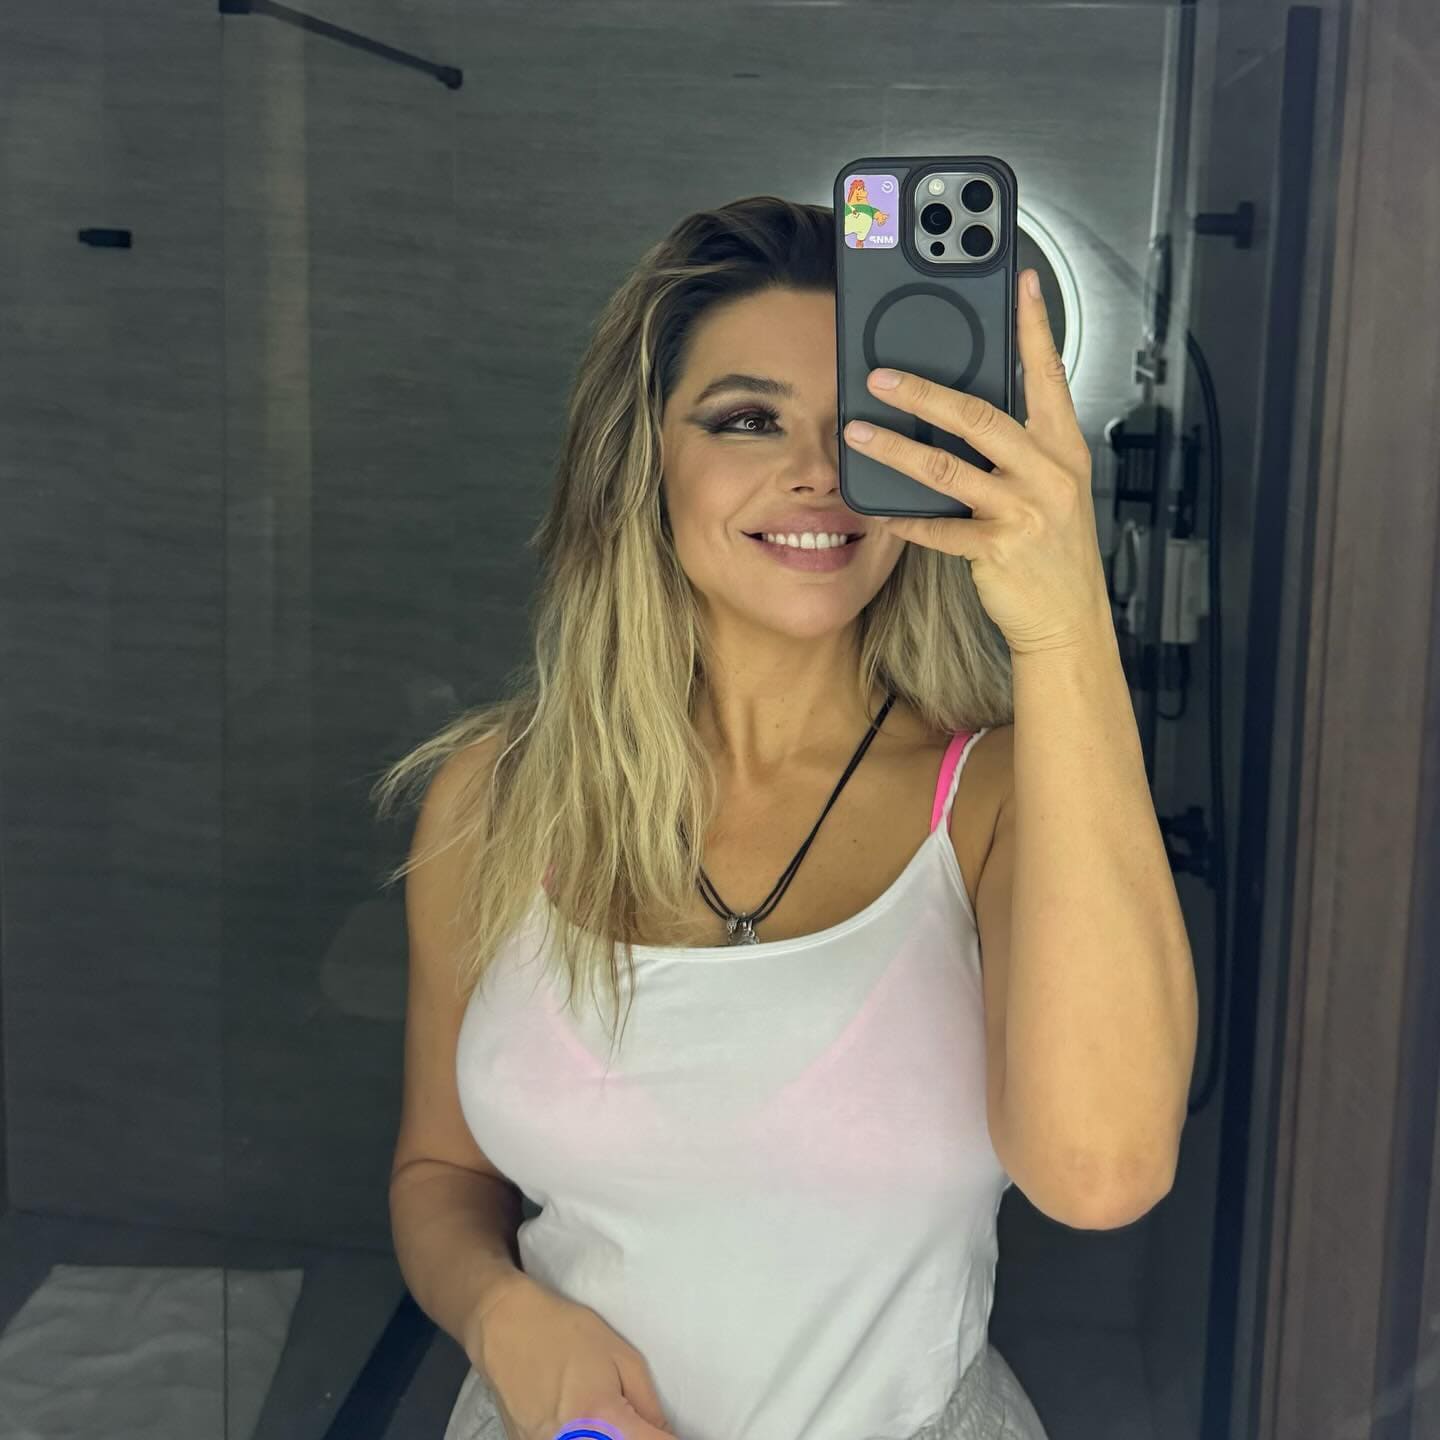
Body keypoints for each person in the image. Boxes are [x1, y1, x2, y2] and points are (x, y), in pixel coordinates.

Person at [377, 196, 1054, 1440]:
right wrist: (498, 1313)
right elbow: (441, 1170)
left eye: (867, 427)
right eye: (748, 418)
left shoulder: (998, 802)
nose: (819, 471)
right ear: (641, 463)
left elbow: (1106, 1171)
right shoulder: (494, 799)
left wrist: (1066, 616)